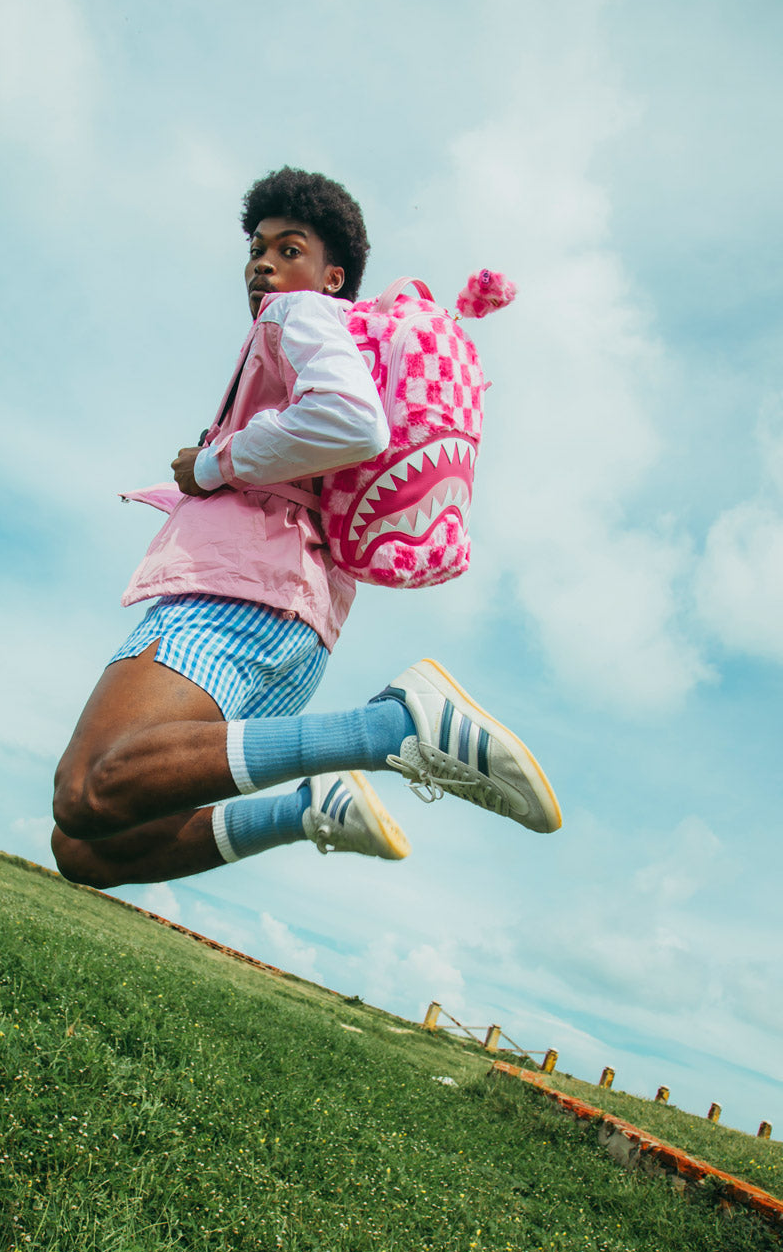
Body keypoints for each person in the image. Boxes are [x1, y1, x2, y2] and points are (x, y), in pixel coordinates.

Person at [52, 167, 560, 889]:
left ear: (332, 278)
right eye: (257, 248)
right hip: (302, 627)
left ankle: (393, 728)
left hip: (237, 592)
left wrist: (211, 465)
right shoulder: (334, 334)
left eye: (289, 249)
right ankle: (308, 809)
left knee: (88, 788)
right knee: (85, 844)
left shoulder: (296, 316)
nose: (263, 263)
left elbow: (351, 421)